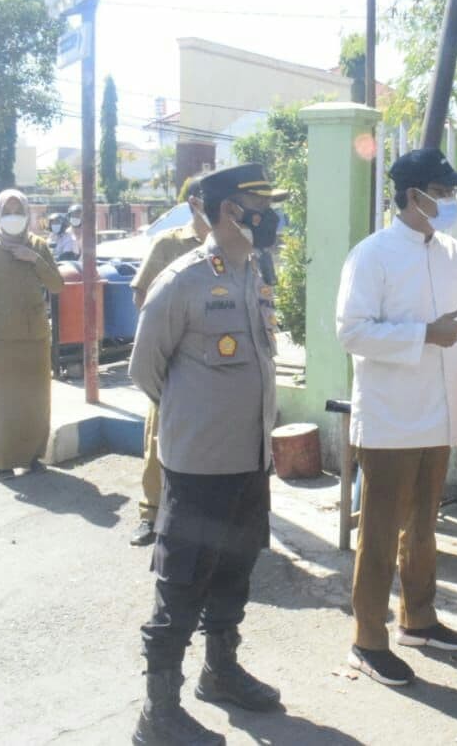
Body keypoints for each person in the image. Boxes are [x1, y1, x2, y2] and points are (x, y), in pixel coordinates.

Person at [336, 148, 457, 687]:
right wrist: (422, 333)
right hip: (392, 418)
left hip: (443, 413)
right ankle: (368, 640)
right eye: (442, 192)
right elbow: (350, 331)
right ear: (413, 195)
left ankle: (417, 620)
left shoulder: (454, 254)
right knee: (378, 531)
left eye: (451, 193)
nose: (451, 201)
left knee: (423, 526)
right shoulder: (372, 255)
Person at [129, 163, 282, 746]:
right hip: (198, 464)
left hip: (250, 458)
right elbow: (146, 369)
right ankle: (158, 711)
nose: (269, 215)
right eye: (257, 204)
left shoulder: (254, 272)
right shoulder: (183, 281)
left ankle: (220, 671)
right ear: (227, 212)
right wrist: (195, 416)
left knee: (234, 568)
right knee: (182, 583)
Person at [127, 176, 215, 547]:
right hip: (172, 356)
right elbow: (142, 296)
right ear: (195, 203)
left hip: (212, 360)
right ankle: (150, 512)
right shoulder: (169, 244)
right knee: (158, 436)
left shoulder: (228, 246)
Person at [0, 189, 64, 480]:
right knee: (3, 400)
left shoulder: (38, 245)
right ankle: (4, 460)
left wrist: (33, 258)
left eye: (18, 210)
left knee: (35, 398)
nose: (14, 217)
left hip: (35, 335)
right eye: (8, 211)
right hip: (0, 338)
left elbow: (57, 285)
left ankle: (32, 456)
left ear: (27, 213)